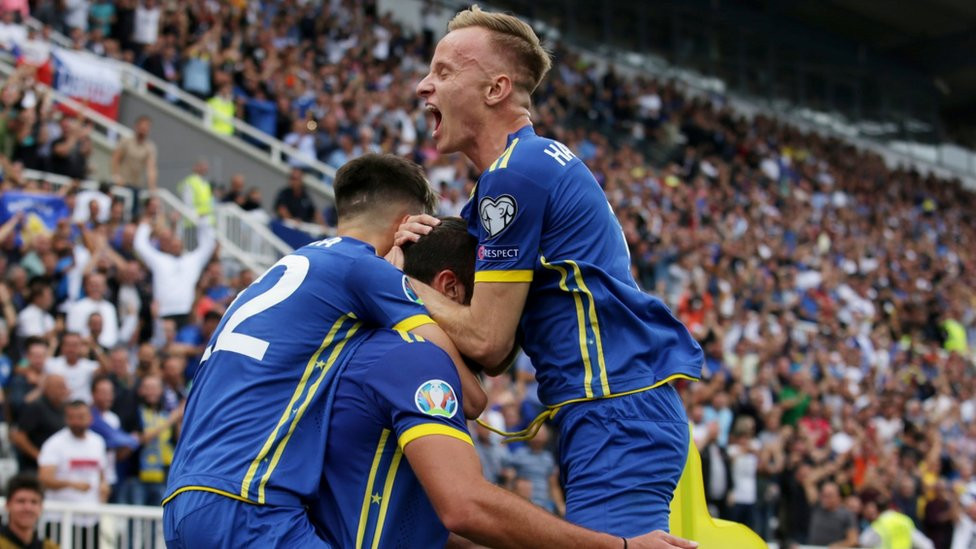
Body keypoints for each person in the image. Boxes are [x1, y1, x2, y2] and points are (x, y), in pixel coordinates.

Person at [402, 5, 703, 540]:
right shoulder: (526, 167)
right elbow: (493, 353)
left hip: (615, 412)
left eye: (444, 72)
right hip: (612, 410)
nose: (424, 85)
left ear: (495, 89)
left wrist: (389, 282)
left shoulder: (516, 174)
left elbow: (488, 340)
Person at [163, 154, 486, 548]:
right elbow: (470, 397)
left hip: (183, 498)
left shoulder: (284, 271)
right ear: (406, 224)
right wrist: (404, 281)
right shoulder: (365, 269)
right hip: (248, 502)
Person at [314, 217, 695, 549]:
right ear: (449, 288)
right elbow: (465, 507)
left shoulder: (370, 343)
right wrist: (617, 545)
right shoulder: (412, 356)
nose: (508, 330)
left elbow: (430, 530)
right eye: (494, 302)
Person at [38, 400, 109, 545]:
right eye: (72, 417)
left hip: (90, 518)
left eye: (81, 417)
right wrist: (71, 484)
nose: (76, 422)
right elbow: (44, 479)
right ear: (66, 419)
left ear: (90, 418)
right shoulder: (55, 443)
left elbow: (101, 473)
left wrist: (104, 486)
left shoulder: (98, 442)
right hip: (60, 518)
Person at [133, 217, 216, 327]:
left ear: (182, 244)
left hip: (187, 312)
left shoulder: (192, 260)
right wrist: (145, 226)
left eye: (178, 242)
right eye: (172, 243)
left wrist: (203, 220)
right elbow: (140, 246)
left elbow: (208, 245)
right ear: (167, 246)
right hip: (163, 313)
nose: (175, 245)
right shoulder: (159, 260)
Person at [10, 375, 68, 473]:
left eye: (65, 386)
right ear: (47, 389)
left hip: (59, 465)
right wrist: (40, 457)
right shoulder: (35, 407)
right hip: (35, 468)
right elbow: (19, 437)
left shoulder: (65, 408)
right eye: (60, 387)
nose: (64, 390)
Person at [111, 114, 158, 217]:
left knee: (134, 214)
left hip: (137, 186)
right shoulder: (126, 141)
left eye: (146, 128)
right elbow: (115, 159)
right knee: (118, 212)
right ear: (136, 126)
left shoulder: (149, 147)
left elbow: (151, 169)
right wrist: (116, 176)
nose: (143, 130)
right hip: (122, 183)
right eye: (142, 127)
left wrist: (152, 190)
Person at [0, 474, 59, 549]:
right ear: (7, 505)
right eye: (21, 501)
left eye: (34, 502)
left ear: (41, 507)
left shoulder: (50, 547)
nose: (28, 508)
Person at [859, 500, 934, 549]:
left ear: (877, 510)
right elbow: (926, 545)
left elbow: (864, 542)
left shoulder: (879, 524)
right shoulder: (904, 521)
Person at [178, 158, 215, 225]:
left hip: (206, 219)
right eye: (202, 166)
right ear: (195, 167)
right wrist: (194, 215)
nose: (205, 168)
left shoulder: (205, 183)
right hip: (196, 220)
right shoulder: (190, 182)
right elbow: (187, 202)